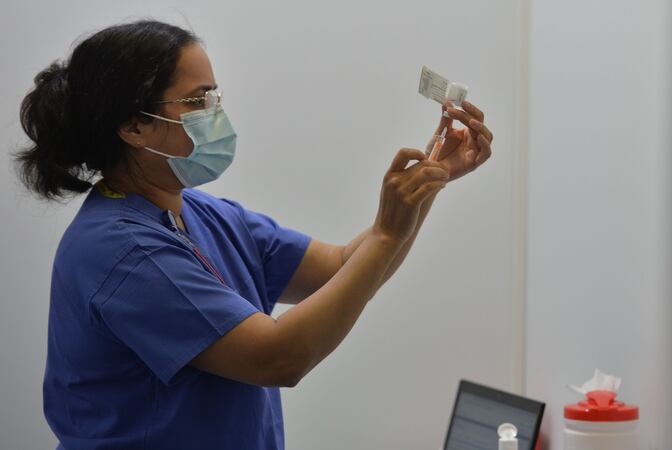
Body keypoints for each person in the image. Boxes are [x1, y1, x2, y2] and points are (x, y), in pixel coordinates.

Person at [15, 20, 493, 450]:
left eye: (215, 97)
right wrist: (388, 232)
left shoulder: (201, 213)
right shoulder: (121, 251)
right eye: (197, 101)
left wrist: (428, 183)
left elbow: (342, 268)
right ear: (133, 126)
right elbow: (279, 359)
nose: (215, 113)